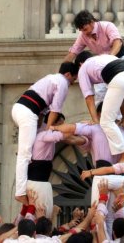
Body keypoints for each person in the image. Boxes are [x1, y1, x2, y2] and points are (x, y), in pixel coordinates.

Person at [11, 62, 78, 205]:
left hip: (23, 109)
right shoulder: (62, 82)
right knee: (25, 154)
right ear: (68, 75)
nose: (73, 83)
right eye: (74, 79)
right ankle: (20, 192)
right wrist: (49, 129)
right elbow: (55, 110)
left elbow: (43, 113)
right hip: (27, 112)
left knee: (28, 148)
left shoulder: (50, 78)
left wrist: (43, 129)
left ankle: (21, 189)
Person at [75, 54, 124, 162]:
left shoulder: (83, 68)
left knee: (106, 122)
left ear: (80, 64)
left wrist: (95, 120)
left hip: (118, 79)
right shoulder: (104, 57)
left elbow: (89, 98)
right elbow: (120, 99)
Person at [65, 10, 124, 106]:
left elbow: (117, 43)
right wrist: (62, 71)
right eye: (81, 30)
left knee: (119, 89)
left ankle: (121, 118)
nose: (84, 32)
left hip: (119, 60)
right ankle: (100, 118)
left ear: (91, 22)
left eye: (85, 29)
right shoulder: (83, 35)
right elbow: (73, 53)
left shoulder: (107, 26)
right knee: (100, 92)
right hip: (102, 64)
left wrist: (109, 58)